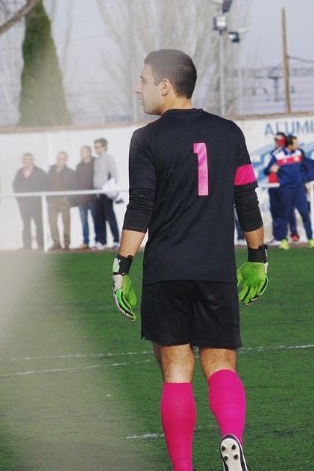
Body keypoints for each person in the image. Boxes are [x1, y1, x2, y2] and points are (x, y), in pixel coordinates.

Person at [111, 49, 268, 471]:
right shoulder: (228, 133)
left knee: (176, 371)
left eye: (142, 80)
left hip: (166, 272)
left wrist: (122, 267)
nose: (137, 87)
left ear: (165, 85)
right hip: (215, 270)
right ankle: (231, 435)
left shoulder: (146, 138)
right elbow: (246, 199)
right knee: (220, 364)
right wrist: (258, 257)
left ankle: (183, 468)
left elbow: (140, 206)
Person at [263, 134, 314, 249]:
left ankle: (311, 240)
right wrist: (271, 170)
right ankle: (284, 240)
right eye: (295, 143)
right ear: (289, 144)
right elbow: (266, 171)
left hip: (299, 190)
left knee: (305, 214)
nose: (297, 145)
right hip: (285, 190)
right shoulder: (278, 156)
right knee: (284, 216)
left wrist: (307, 180)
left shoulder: (299, 154)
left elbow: (308, 167)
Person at [265, 132, 300, 245]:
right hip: (273, 186)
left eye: (278, 140)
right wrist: (271, 169)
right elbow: (266, 170)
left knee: (289, 211)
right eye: (275, 140)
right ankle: (278, 236)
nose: (276, 142)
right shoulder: (274, 154)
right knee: (275, 211)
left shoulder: (290, 153)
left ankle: (293, 234)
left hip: (283, 186)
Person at [12, 153, 47, 251]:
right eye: (23, 159)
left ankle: (41, 245)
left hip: (36, 204)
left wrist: (38, 199)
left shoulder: (40, 172)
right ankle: (27, 245)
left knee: (39, 225)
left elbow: (44, 186)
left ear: (32, 160)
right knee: (25, 225)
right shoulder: (19, 172)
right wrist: (19, 199)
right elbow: (15, 186)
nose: (25, 161)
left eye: (27, 159)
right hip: (24, 205)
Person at [93, 138, 120, 249]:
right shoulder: (97, 160)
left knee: (110, 217)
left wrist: (110, 189)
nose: (96, 149)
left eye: (98, 147)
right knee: (99, 218)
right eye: (95, 147)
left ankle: (116, 241)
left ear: (104, 147)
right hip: (97, 193)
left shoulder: (108, 158)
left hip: (106, 193)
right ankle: (102, 242)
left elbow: (114, 175)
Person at [46, 151, 76, 251]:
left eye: (61, 158)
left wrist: (69, 198)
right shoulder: (51, 170)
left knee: (66, 222)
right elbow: (46, 183)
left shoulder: (70, 172)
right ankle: (56, 243)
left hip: (64, 199)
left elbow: (73, 186)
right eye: (58, 158)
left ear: (65, 160)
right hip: (52, 199)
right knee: (52, 222)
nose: (59, 160)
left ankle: (66, 243)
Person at [74, 145, 96, 249]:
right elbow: (77, 182)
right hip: (82, 199)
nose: (81, 153)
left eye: (83, 151)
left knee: (96, 220)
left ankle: (98, 241)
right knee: (84, 222)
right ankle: (86, 242)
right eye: (81, 151)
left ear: (89, 152)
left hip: (93, 198)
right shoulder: (79, 166)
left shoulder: (96, 163)